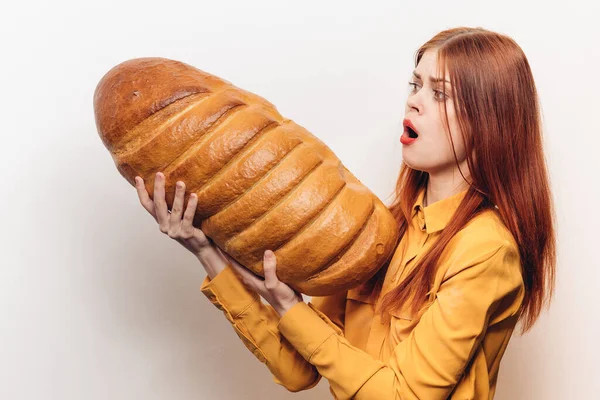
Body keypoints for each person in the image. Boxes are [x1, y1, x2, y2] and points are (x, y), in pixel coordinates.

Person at [133, 26, 556, 399]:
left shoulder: (484, 250)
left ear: (489, 122)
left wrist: (290, 307)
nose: (413, 103)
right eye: (415, 84)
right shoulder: (383, 231)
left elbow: (403, 396)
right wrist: (206, 251)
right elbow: (298, 371)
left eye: (439, 93)